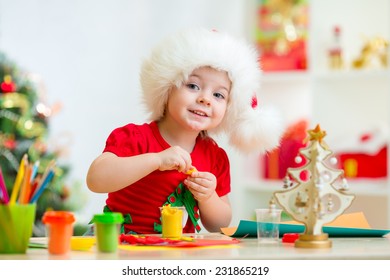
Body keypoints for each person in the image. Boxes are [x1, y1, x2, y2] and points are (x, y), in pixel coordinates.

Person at [86, 28, 282, 235]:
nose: (205, 99)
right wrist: (157, 160)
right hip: (118, 245)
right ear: (167, 88)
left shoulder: (214, 157)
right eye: (193, 85)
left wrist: (208, 197)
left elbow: (220, 224)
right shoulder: (134, 138)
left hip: (176, 252)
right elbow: (96, 179)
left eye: (218, 94)